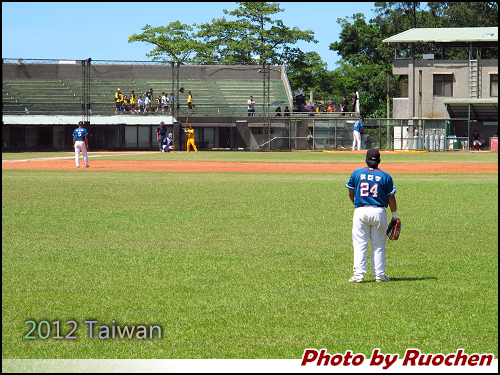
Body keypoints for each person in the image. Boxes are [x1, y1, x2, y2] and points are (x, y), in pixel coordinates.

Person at [345, 148, 398, 283]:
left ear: (365, 160)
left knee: (360, 244)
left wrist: (357, 205)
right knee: (378, 245)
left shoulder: (357, 173)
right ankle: (379, 275)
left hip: (361, 211)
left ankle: (358, 275)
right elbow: (391, 197)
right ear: (379, 161)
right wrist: (395, 215)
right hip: (379, 212)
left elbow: (351, 193)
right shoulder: (386, 176)